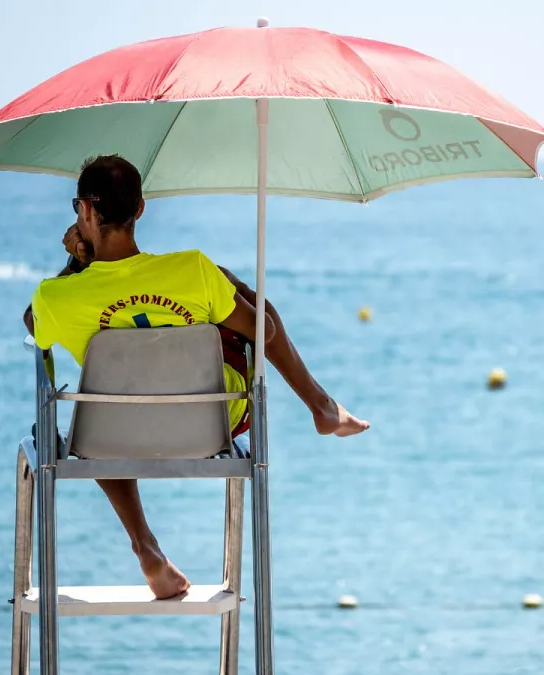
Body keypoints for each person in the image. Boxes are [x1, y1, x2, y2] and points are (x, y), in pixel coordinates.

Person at [24, 154, 368, 599]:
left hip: (112, 433)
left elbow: (34, 325)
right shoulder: (194, 269)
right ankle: (321, 407)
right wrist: (231, 283)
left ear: (85, 211)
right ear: (141, 209)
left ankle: (145, 546)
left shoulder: (55, 297)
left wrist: (78, 264)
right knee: (246, 308)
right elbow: (265, 331)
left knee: (102, 408)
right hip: (210, 425)